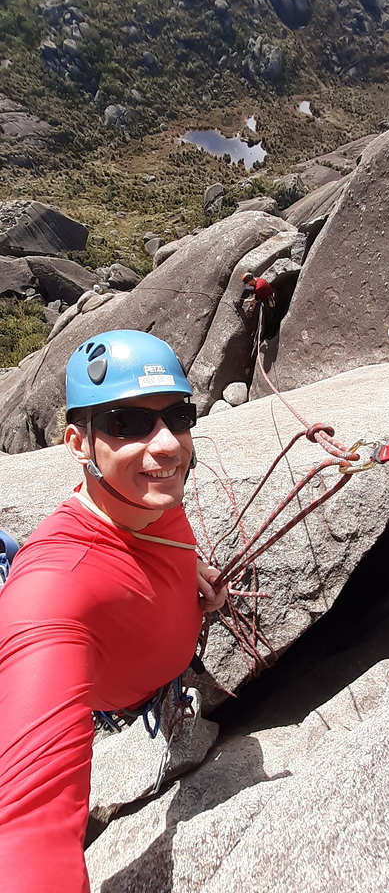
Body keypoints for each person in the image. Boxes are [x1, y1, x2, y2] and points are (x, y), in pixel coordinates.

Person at [0, 329, 227, 893]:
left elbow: (143, 552)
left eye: (178, 415)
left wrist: (183, 576)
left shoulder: (144, 500)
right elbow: (29, 829)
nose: (169, 444)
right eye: (127, 423)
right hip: (120, 710)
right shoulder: (51, 591)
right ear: (78, 443)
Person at [240, 272, 278, 340]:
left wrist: (248, 301)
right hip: (266, 293)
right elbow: (255, 294)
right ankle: (239, 303)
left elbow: (256, 300)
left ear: (251, 280)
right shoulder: (257, 279)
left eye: (248, 282)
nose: (248, 284)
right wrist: (252, 306)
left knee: (268, 318)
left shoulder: (259, 288)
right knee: (247, 290)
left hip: (268, 301)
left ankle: (270, 335)